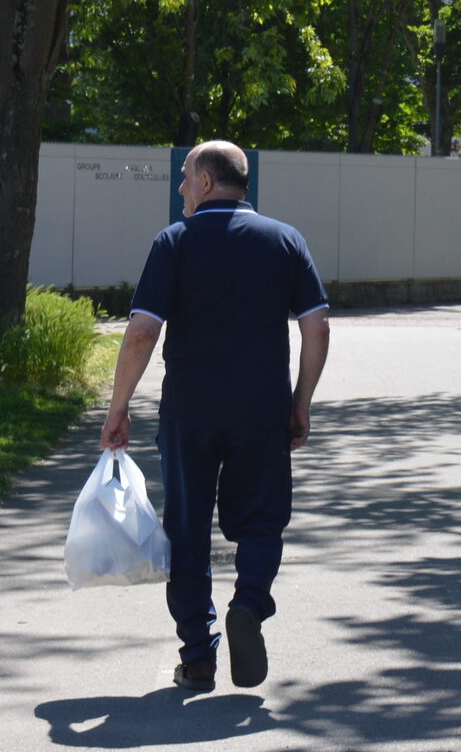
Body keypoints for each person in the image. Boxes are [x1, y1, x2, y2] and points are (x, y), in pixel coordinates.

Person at [101, 140, 330, 694]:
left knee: (187, 530)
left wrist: (118, 406)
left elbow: (141, 331)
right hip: (261, 412)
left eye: (184, 177)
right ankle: (249, 602)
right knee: (261, 520)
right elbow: (317, 327)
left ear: (205, 182)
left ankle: (198, 657)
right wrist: (299, 403)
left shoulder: (174, 242)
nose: (180, 188)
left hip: (190, 413)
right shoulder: (285, 240)